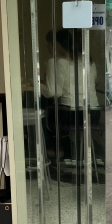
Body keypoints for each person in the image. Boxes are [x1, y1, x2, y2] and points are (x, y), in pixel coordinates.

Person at [40, 29, 100, 160]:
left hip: (72, 115)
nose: (48, 47)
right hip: (93, 113)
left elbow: (53, 92)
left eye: (50, 44)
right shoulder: (90, 62)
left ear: (57, 44)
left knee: (44, 111)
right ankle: (65, 150)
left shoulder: (60, 62)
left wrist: (36, 85)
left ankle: (55, 150)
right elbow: (94, 83)